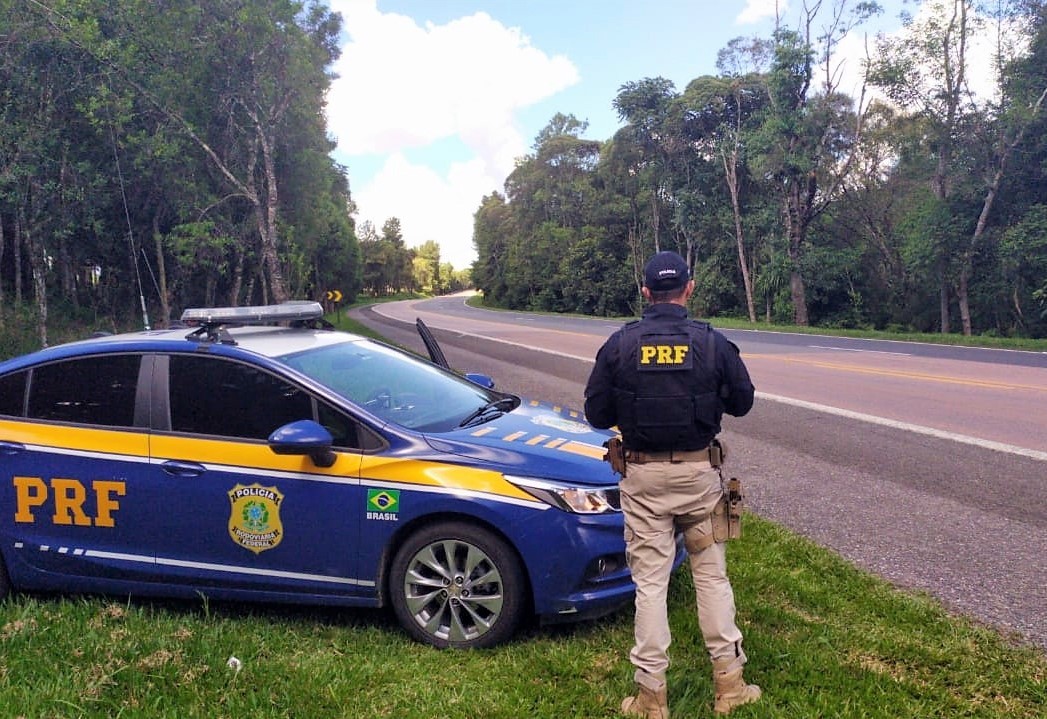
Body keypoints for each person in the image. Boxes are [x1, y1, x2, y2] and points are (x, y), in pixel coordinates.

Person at [584, 250, 761, 717]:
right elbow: (743, 402)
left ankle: (650, 697)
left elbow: (597, 414)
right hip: (699, 478)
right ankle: (729, 685)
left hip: (642, 481)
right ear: (690, 288)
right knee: (712, 576)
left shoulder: (620, 345)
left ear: (645, 292)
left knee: (650, 585)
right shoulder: (713, 343)